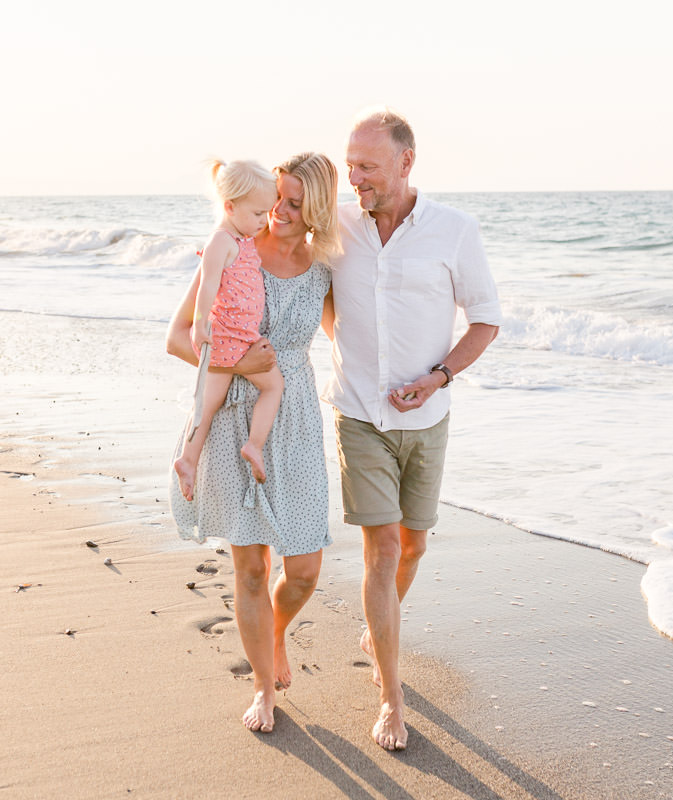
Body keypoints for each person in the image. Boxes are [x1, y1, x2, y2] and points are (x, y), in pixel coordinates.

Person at [324, 108, 502, 751]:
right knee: (384, 551)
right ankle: (390, 700)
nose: (355, 177)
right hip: (359, 415)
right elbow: (312, 286)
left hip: (428, 417)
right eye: (350, 164)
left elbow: (484, 321)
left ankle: (381, 625)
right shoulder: (338, 224)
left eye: (367, 166)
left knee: (415, 545)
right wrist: (346, 354)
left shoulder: (455, 231)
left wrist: (438, 377)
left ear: (406, 161)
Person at [168, 152, 341, 734]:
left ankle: (274, 631)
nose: (281, 212)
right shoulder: (236, 247)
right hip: (234, 411)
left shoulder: (325, 266)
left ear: (316, 207)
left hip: (294, 421)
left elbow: (354, 338)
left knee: (305, 569)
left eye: (296, 203)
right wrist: (240, 365)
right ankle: (265, 688)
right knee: (248, 569)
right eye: (278, 199)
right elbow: (177, 337)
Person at [173, 159, 283, 501]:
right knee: (272, 387)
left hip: (242, 337)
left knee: (208, 406)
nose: (263, 222)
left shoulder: (242, 236)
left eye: (267, 213)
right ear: (229, 206)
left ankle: (190, 460)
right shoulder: (221, 240)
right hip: (228, 338)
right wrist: (201, 324)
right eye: (257, 214)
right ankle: (253, 444)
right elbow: (207, 287)